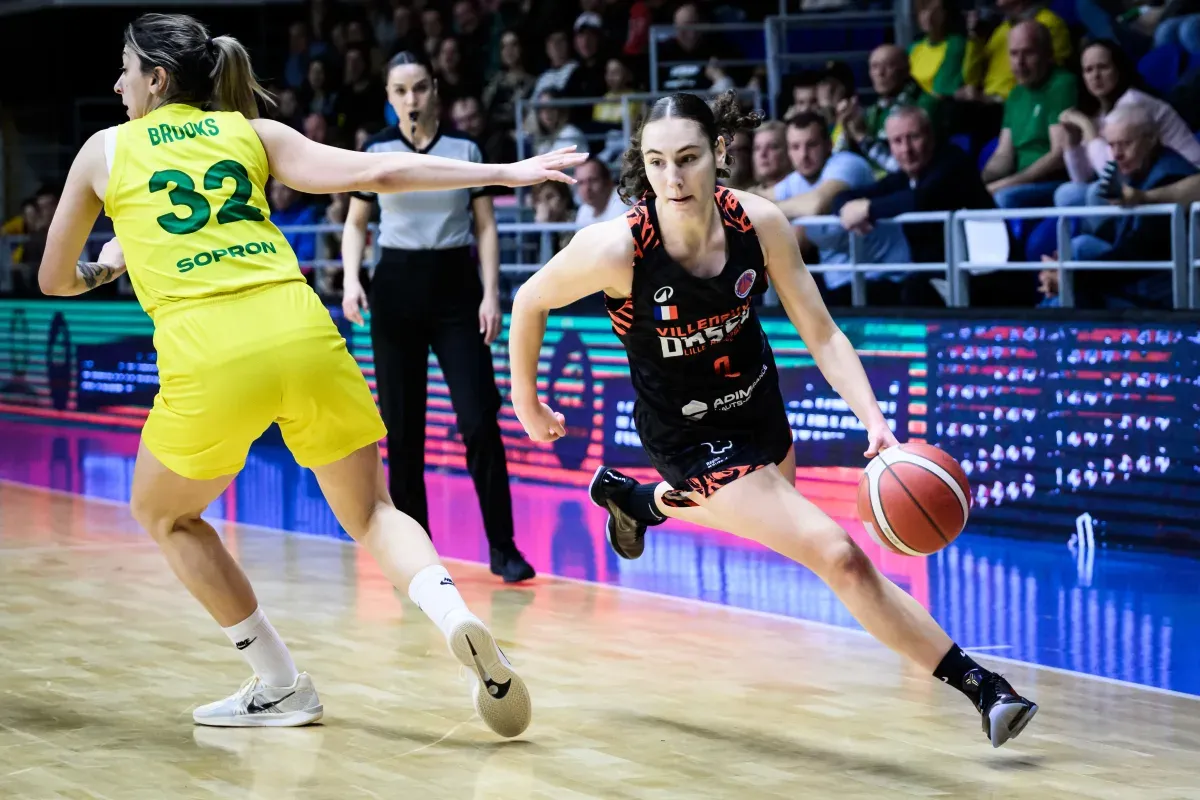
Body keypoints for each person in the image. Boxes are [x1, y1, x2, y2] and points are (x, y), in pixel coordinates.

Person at [37, 13, 585, 733]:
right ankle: (455, 615)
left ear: (158, 79)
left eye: (125, 69)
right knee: (375, 513)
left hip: (210, 353)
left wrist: (107, 265)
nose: (117, 84)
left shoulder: (104, 150)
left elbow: (54, 279)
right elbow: (377, 172)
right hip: (301, 328)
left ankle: (279, 682)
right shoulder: (251, 132)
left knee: (166, 514)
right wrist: (504, 172)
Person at [506, 90, 1039, 749]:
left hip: (758, 402)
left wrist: (874, 418)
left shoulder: (758, 224)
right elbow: (529, 300)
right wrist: (527, 402)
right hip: (685, 434)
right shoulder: (618, 250)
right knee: (839, 555)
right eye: (658, 162)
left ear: (718, 153)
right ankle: (984, 688)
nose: (673, 178)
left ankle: (638, 502)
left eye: (688, 158)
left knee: (771, 517)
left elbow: (822, 332)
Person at [341, 52, 535, 584]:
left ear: (435, 92)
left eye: (420, 88)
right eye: (401, 90)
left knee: (479, 421)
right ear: (389, 96)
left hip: (456, 287)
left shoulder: (464, 149)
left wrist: (491, 294)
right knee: (403, 432)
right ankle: (420, 559)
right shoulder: (375, 151)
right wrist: (352, 278)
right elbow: (357, 223)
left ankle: (504, 548)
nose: (412, 99)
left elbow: (486, 226)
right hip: (395, 289)